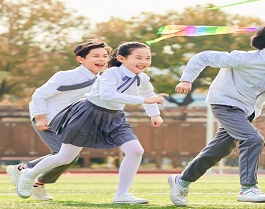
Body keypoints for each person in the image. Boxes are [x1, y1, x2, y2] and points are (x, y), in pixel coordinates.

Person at [167, 21, 265, 206]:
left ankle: (181, 180)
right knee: (253, 139)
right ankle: (248, 188)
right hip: (225, 103)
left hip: (249, 109)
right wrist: (186, 80)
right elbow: (203, 57)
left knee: (219, 149)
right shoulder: (244, 58)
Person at [15, 42, 167, 204]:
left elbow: (149, 93)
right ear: (121, 58)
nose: (144, 62)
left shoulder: (142, 78)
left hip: (114, 117)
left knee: (136, 151)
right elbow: (108, 95)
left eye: (148, 58)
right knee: (65, 157)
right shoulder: (111, 73)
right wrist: (143, 100)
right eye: (138, 58)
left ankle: (121, 195)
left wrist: (154, 115)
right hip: (88, 114)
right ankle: (29, 174)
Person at [6, 39, 111, 200]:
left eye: (105, 56)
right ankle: (27, 174)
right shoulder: (66, 76)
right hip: (47, 118)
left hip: (68, 122)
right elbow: (39, 95)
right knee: (64, 155)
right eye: (96, 55)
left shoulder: (100, 81)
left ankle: (27, 175)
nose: (102, 59)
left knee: (68, 157)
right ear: (80, 59)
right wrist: (40, 118)